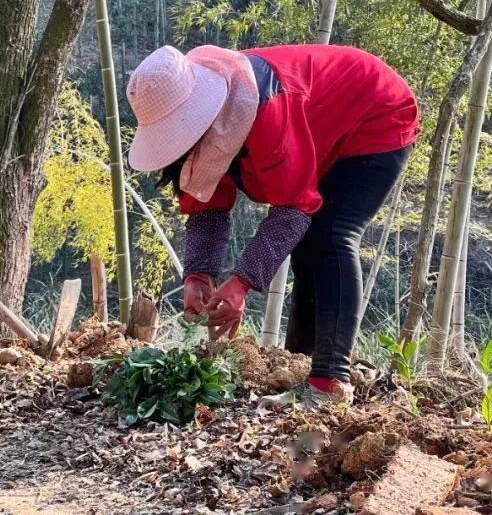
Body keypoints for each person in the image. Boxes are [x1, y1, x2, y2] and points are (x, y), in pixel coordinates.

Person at [125, 44, 419, 406]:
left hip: (376, 112)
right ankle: (302, 367)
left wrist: (241, 283)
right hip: (326, 127)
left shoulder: (262, 107)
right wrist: (198, 276)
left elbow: (294, 207)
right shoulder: (203, 120)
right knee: (308, 246)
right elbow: (207, 207)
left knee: (329, 235)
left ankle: (329, 384)